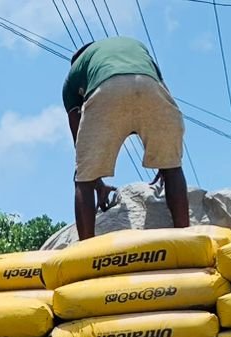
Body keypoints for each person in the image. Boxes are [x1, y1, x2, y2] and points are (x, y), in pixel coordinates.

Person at [63, 37, 190, 240]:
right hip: (150, 85)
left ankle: (86, 249)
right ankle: (186, 239)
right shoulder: (134, 46)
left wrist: (94, 181)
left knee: (82, 180)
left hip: (105, 90)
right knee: (173, 168)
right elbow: (158, 91)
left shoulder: (73, 75)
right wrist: (164, 161)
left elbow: (78, 136)